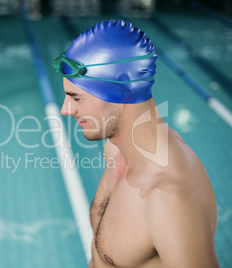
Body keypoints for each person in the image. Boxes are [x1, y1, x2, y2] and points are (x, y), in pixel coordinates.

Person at [52, 19, 218, 267]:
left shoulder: (169, 199)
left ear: (123, 89)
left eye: (76, 98)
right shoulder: (115, 149)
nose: (66, 110)